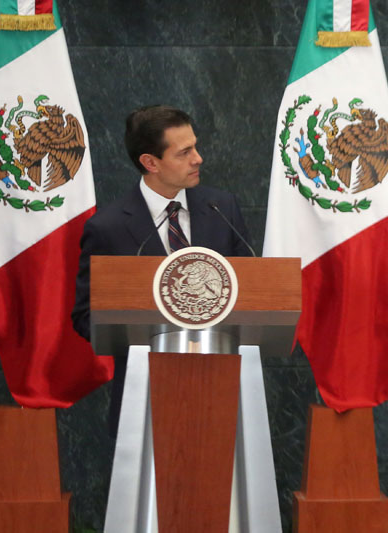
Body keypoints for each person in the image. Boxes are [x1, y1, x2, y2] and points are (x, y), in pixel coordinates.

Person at [72, 105, 253, 436]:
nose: (198, 159)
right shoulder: (108, 228)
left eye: (195, 147)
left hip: (221, 384)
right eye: (184, 153)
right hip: (145, 392)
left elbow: (253, 291)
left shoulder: (221, 208)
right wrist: (144, 331)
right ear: (150, 162)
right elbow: (85, 316)